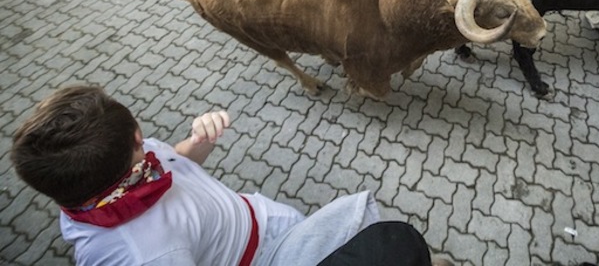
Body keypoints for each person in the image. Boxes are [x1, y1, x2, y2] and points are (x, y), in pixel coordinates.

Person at [12, 85, 382, 265]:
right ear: (136, 143)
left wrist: (199, 140)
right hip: (266, 257)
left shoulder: (105, 177)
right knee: (371, 233)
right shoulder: (140, 257)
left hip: (262, 216)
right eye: (141, 142)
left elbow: (172, 162)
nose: (147, 143)